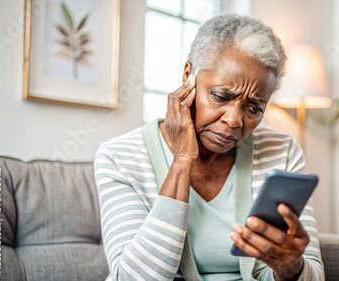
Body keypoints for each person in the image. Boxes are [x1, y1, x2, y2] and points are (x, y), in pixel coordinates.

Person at [94, 14, 325, 281]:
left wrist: (290, 268)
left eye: (253, 108)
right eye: (220, 96)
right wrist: (182, 161)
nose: (234, 120)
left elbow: (312, 275)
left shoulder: (281, 151)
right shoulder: (119, 156)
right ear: (188, 76)